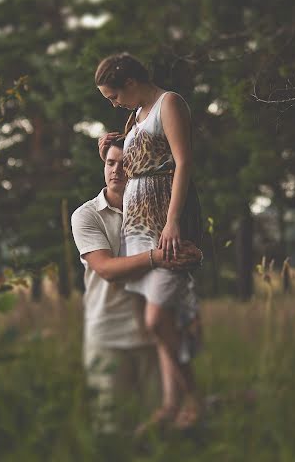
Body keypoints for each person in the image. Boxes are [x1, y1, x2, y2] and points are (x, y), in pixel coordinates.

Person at [95, 52, 203, 432]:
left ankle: (193, 400)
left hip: (163, 225)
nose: (113, 103)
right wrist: (110, 144)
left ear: (129, 81)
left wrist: (173, 222)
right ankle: (171, 406)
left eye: (113, 95)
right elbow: (138, 159)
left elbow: (183, 162)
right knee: (159, 323)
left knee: (158, 320)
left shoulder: (168, 103)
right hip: (137, 230)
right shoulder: (135, 117)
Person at [71, 139, 201, 433]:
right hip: (108, 336)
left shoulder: (158, 210)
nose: (116, 170)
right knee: (111, 431)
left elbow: (177, 274)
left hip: (153, 340)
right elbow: (105, 269)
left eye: (125, 163)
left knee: (158, 435)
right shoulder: (87, 215)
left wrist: (190, 314)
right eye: (110, 163)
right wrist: (157, 257)